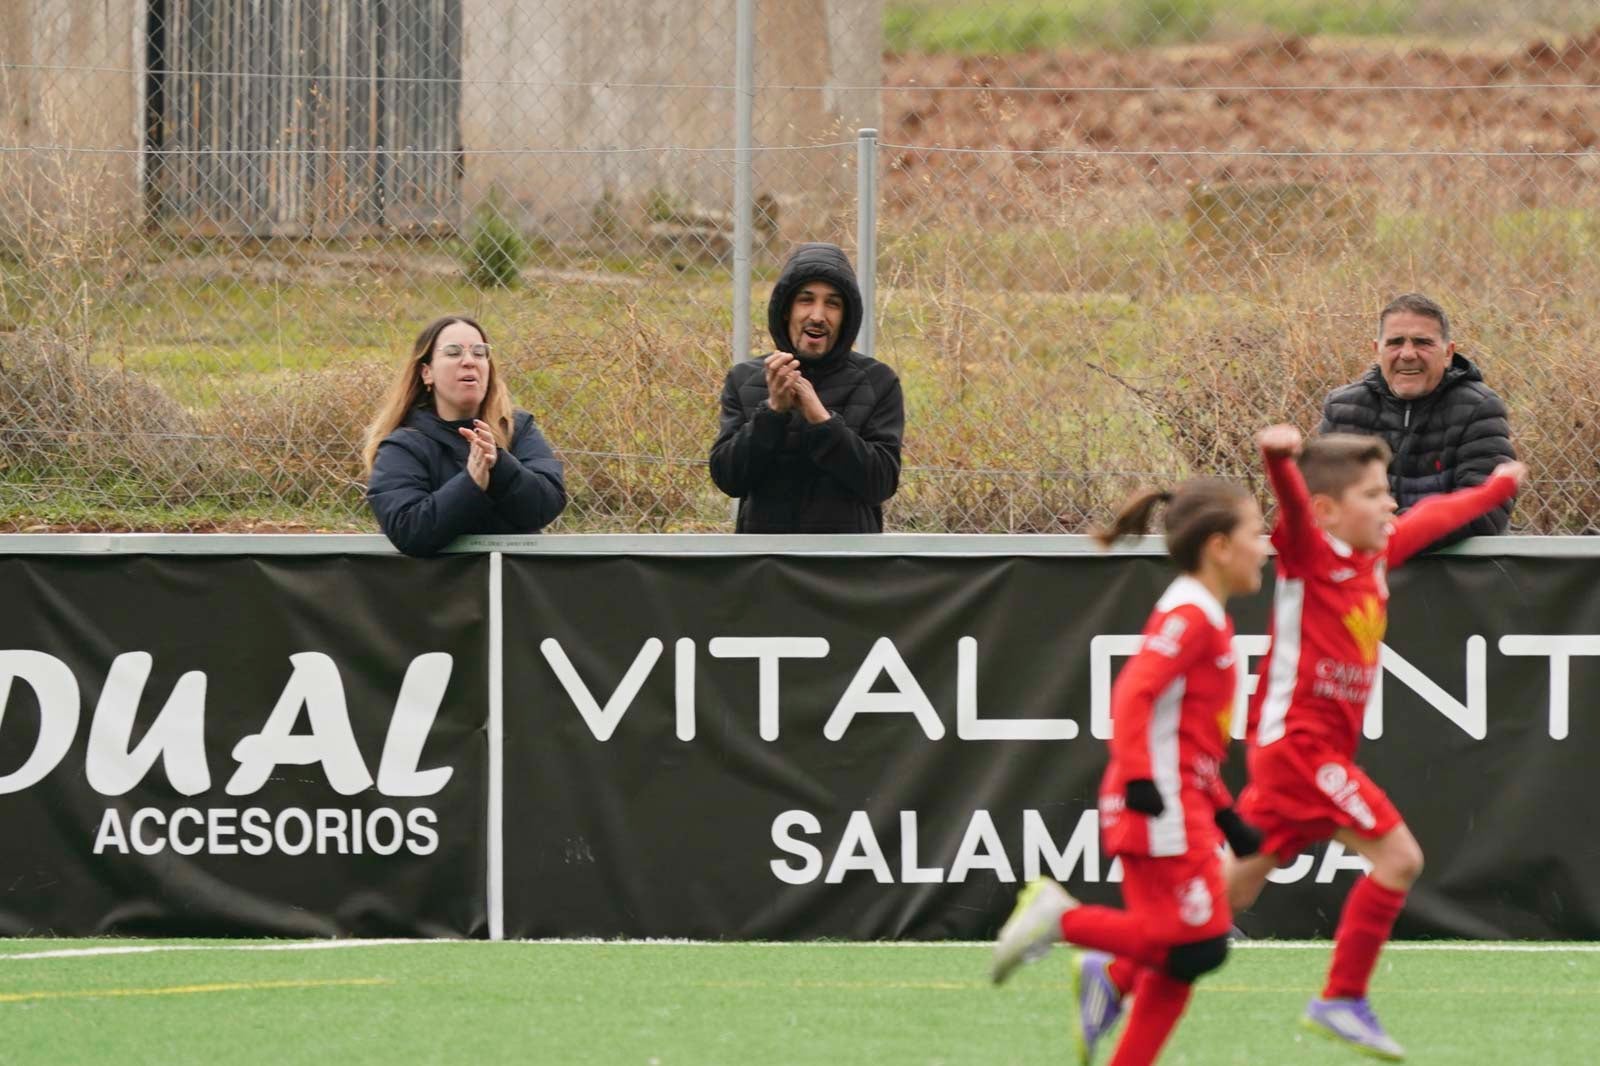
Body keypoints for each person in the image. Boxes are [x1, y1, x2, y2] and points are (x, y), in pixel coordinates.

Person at [1227, 426, 1525, 1060]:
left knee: (1234, 889)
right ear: (1330, 510)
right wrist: (1277, 458)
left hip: (1306, 755)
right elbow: (1295, 504)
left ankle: (1109, 961)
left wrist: (1495, 487)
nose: (1390, 505)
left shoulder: (1375, 556)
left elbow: (1435, 513)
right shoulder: (1309, 552)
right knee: (1399, 860)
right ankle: (1341, 1000)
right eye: (1373, 493)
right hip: (1298, 750)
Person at [991, 478, 1270, 1066]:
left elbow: (1190, 738)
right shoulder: (1191, 614)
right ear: (1219, 545)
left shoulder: (1207, 616)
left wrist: (1225, 814)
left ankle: (1109, 983)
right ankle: (1064, 921)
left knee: (1185, 957)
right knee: (1195, 944)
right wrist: (1142, 778)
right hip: (1159, 808)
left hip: (1183, 803)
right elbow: (1134, 693)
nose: (1264, 547)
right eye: (1253, 533)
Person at [708, 242, 903, 533]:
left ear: (846, 317)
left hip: (848, 568)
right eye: (806, 300)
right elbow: (729, 479)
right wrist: (772, 413)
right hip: (766, 565)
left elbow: (881, 484)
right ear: (786, 310)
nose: (817, 315)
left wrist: (821, 420)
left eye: (833, 304)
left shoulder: (878, 381)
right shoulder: (744, 379)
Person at [1319, 293, 1516, 549]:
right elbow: (1323, 502)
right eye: (1395, 342)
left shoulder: (1479, 407)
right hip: (1362, 569)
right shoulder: (1342, 408)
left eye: (1422, 342)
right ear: (1377, 350)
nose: (1408, 354)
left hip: (1451, 573)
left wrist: (1393, 532)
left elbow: (1486, 510)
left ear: (1448, 353)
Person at [364, 315, 565, 556]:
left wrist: (500, 466)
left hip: (513, 584)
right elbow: (408, 530)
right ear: (427, 373)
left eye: (479, 353)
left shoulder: (517, 429)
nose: (469, 361)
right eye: (453, 352)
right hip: (437, 588)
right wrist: (471, 484)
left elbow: (546, 505)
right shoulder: (403, 445)